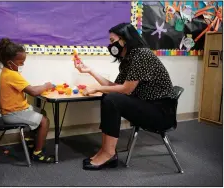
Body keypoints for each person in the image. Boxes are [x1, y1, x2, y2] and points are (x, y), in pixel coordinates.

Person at [74, 23, 178, 170]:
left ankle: (109, 154)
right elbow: (114, 87)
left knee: (112, 99)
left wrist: (96, 87)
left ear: (124, 40)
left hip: (161, 113)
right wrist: (90, 71)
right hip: (147, 106)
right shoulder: (128, 60)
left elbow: (126, 89)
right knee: (109, 96)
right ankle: (106, 150)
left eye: (112, 41)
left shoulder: (142, 55)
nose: (111, 46)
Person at [0, 38, 55, 163]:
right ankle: (37, 153)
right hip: (12, 113)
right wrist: (46, 85)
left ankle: (29, 140)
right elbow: (33, 91)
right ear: (9, 61)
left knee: (41, 112)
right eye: (20, 62)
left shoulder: (7, 71)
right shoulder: (12, 75)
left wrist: (41, 87)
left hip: (15, 109)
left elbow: (28, 88)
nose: (22, 64)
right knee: (45, 121)